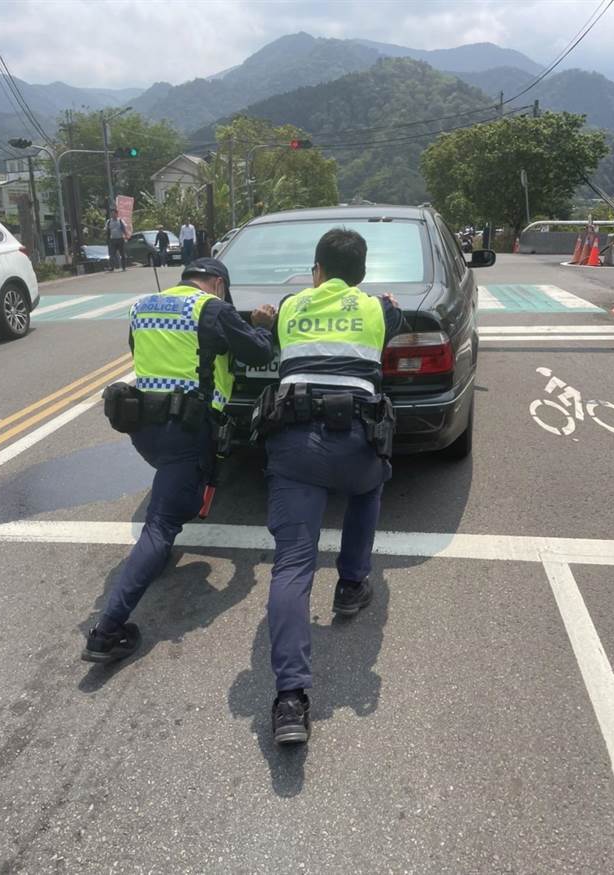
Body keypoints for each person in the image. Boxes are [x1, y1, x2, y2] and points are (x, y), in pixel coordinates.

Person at [255, 228, 408, 745]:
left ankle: (290, 701)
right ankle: (350, 585)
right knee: (369, 488)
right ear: (360, 275)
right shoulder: (377, 309)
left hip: (295, 445)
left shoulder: (290, 306)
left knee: (292, 565)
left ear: (316, 271)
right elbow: (394, 324)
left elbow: (276, 339)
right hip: (358, 443)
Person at [82, 258, 276, 664]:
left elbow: (147, 354)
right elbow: (258, 352)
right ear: (217, 283)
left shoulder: (142, 306)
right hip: (184, 431)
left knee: (178, 495)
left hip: (143, 427)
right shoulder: (212, 309)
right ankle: (107, 632)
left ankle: (162, 538)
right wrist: (260, 324)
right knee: (162, 524)